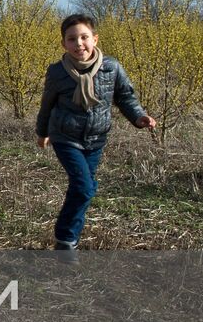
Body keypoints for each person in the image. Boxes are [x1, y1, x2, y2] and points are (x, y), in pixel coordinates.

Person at [35, 13, 156, 250]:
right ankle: (65, 239)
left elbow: (125, 97)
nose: (78, 43)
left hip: (96, 139)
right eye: (72, 39)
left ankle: (69, 240)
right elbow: (47, 104)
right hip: (65, 137)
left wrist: (139, 116)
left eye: (84, 37)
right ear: (64, 44)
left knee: (83, 189)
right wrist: (42, 132)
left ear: (95, 39)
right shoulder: (57, 71)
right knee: (84, 187)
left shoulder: (111, 67)